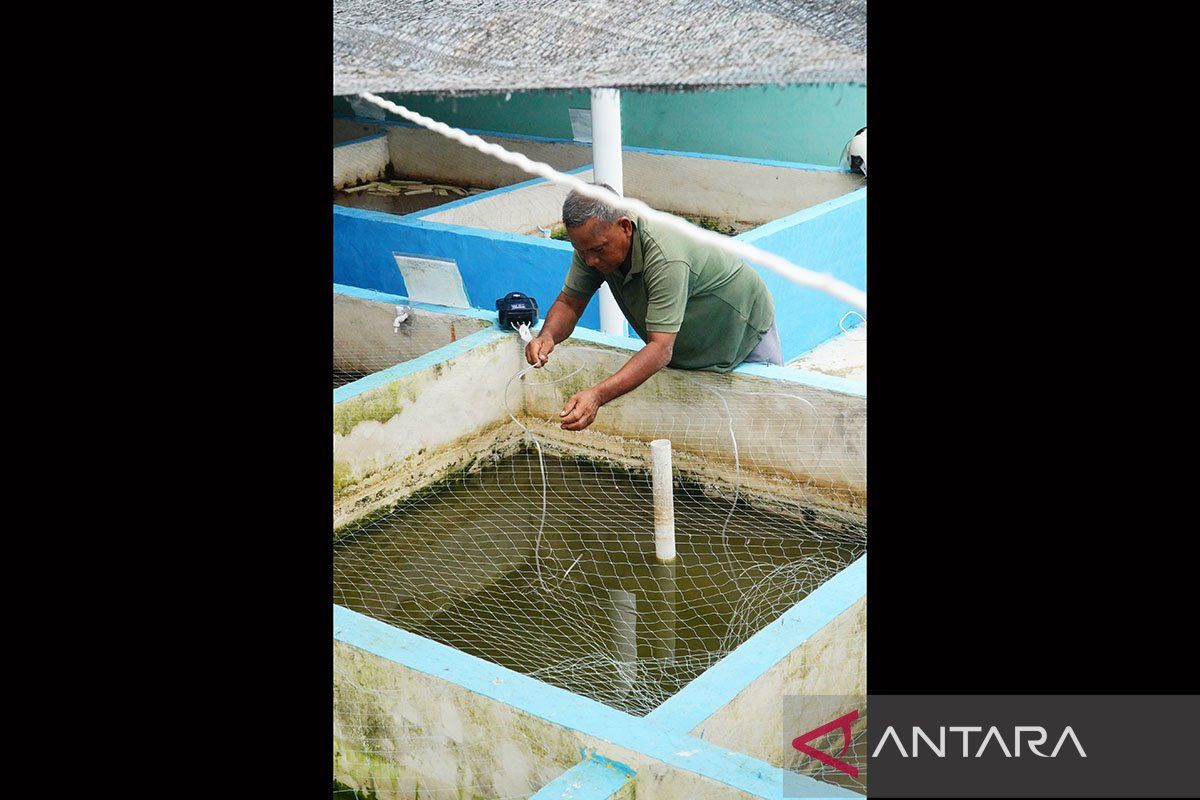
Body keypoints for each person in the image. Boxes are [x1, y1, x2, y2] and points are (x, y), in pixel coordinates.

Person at [525, 183, 781, 431]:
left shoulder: (665, 254)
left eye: (598, 249)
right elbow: (570, 302)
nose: (590, 260)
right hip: (688, 348)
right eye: (582, 251)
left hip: (743, 329)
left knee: (769, 422)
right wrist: (547, 337)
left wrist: (597, 395)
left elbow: (660, 349)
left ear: (624, 226)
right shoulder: (591, 248)